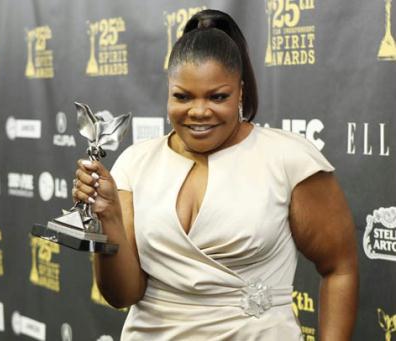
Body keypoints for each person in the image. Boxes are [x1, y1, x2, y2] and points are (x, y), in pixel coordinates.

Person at [73, 9, 358, 341]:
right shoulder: (135, 163)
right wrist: (106, 218)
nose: (198, 111)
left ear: (240, 91)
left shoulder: (289, 159)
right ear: (168, 91)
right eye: (183, 96)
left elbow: (340, 268)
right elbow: (121, 295)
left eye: (217, 96)